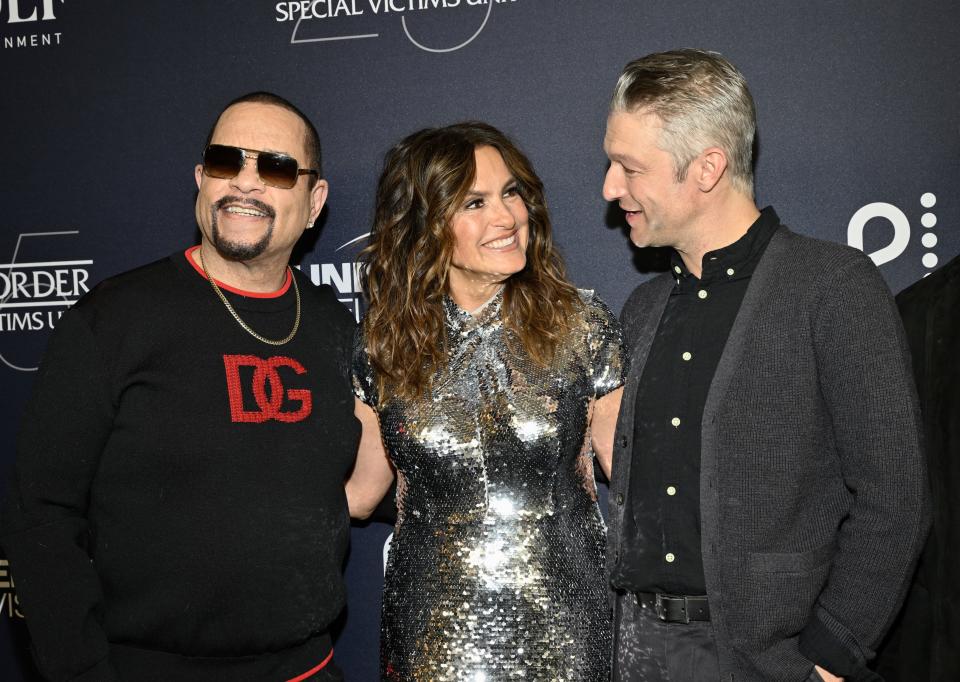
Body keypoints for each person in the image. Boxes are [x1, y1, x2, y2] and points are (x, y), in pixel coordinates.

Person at [0, 92, 358, 681]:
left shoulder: (334, 326)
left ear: (314, 200)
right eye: (225, 162)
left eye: (274, 167)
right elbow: (41, 512)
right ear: (200, 179)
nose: (245, 183)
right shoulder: (116, 318)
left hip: (308, 669)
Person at [602, 49, 929, 682]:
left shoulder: (832, 287)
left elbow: (896, 495)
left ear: (707, 168)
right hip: (637, 649)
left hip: (767, 660)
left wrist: (833, 654)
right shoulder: (644, 306)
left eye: (629, 167)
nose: (611, 188)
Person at [346, 121, 625, 681]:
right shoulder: (385, 343)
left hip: (565, 625)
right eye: (475, 202)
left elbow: (634, 470)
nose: (506, 217)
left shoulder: (580, 325)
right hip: (432, 630)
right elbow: (362, 493)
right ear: (424, 226)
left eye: (511, 193)